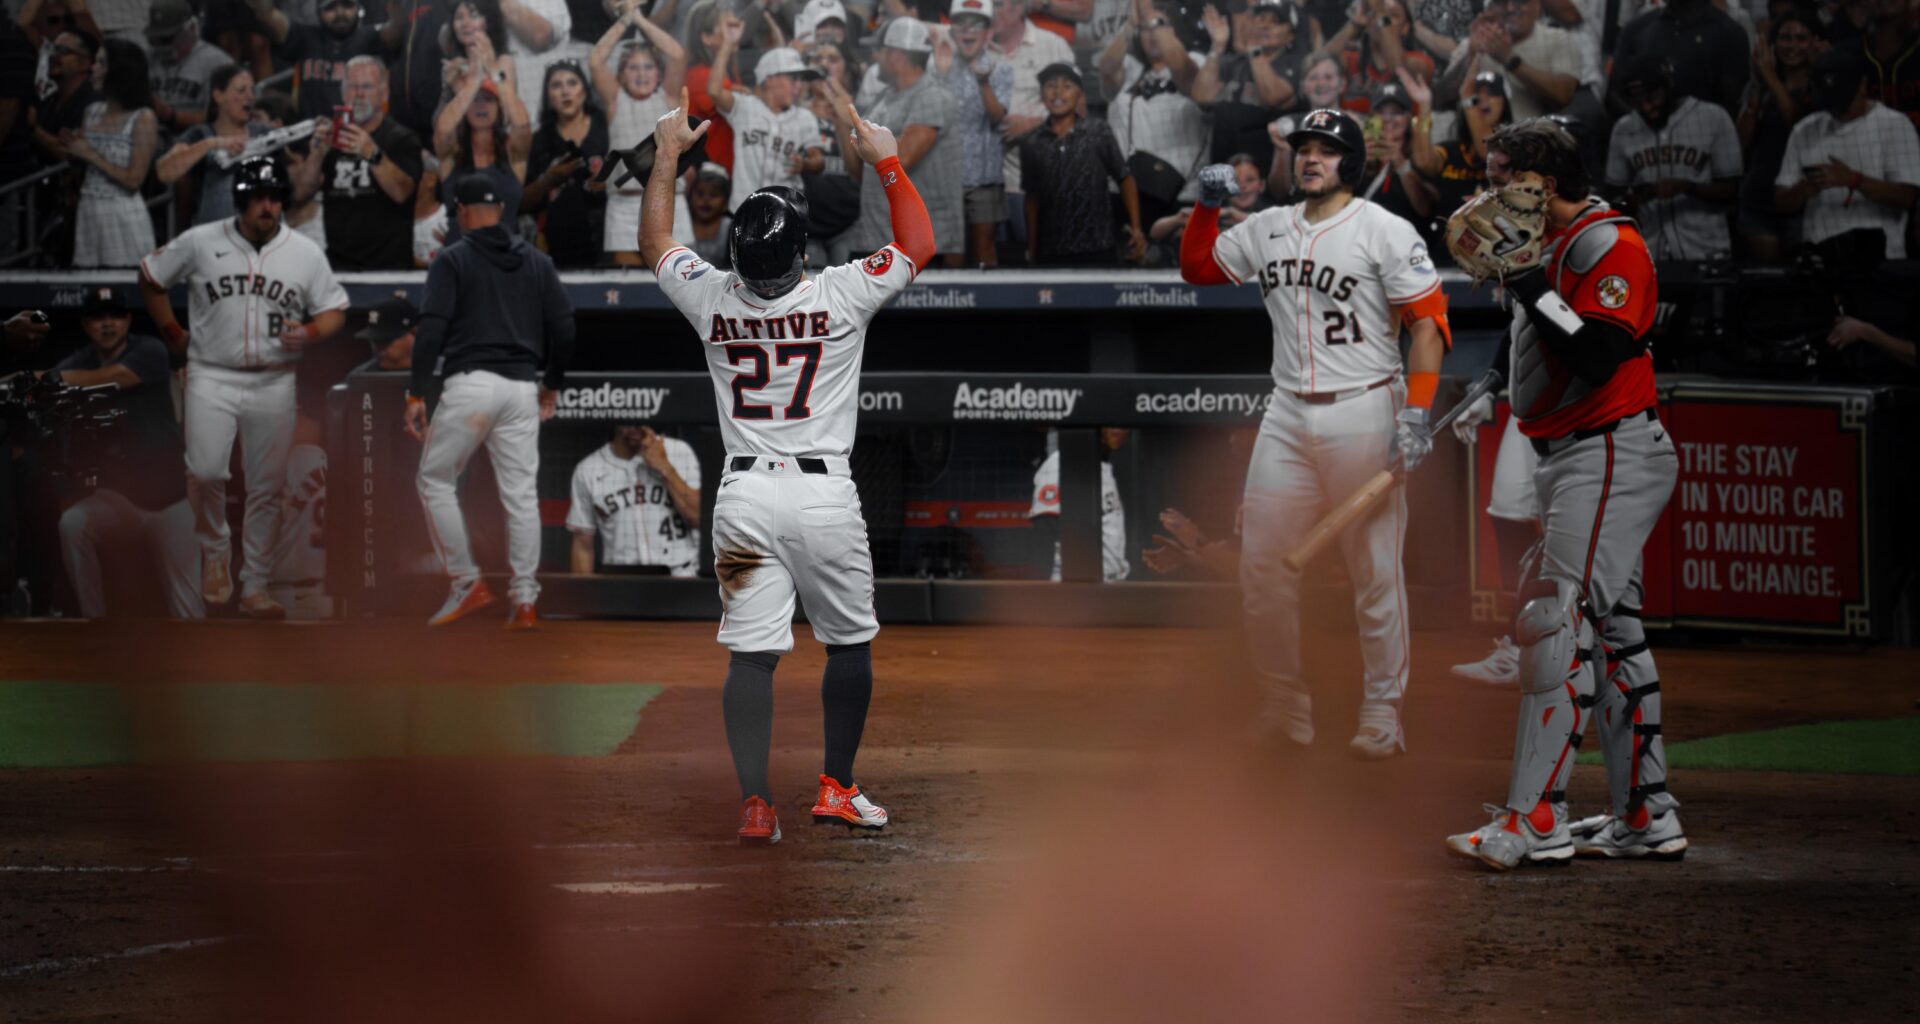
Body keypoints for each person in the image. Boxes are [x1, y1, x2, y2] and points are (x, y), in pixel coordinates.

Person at [639, 86, 934, 846]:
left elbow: (654, 244)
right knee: (848, 641)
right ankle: (836, 788)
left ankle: (756, 804)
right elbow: (918, 245)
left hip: (739, 493)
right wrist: (888, 161)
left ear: (736, 253)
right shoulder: (839, 293)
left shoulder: (711, 298)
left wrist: (670, 153)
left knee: (752, 652)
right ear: (799, 252)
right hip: (823, 495)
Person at [1441, 118, 1684, 869]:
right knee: (1615, 636)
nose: (1487, 193)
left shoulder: (1612, 245)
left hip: (1607, 449)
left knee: (1553, 620)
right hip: (1578, 454)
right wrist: (1490, 386)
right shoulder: (1544, 242)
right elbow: (1538, 339)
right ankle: (1646, 815)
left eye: (1500, 176)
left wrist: (1529, 283)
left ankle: (1534, 818)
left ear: (1541, 184)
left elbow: (1602, 354)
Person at [1178, 107, 1452, 760]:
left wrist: (1416, 411)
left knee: (1374, 573)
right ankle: (1284, 707)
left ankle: (1383, 712)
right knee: (1262, 570)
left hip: (1364, 408)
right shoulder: (1268, 227)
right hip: (1288, 412)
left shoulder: (1384, 230)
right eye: (1304, 146)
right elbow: (1199, 269)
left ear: (1348, 164)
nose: (1311, 157)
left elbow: (1427, 322)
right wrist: (1206, 207)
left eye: (1327, 149)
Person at [138, 157, 350, 620]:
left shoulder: (304, 251)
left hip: (274, 379)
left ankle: (255, 584)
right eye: (257, 196)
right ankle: (216, 550)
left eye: (274, 196)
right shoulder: (201, 241)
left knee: (267, 488)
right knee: (207, 472)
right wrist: (173, 332)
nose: (267, 205)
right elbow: (150, 277)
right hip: (212, 374)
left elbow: (335, 308)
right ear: (240, 200)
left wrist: (312, 332)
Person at [404, 174, 575, 629]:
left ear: (460, 212)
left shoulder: (453, 258)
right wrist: (551, 384)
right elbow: (565, 329)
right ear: (500, 210)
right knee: (521, 497)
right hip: (522, 388)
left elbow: (431, 332)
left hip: (472, 384)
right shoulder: (537, 261)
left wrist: (417, 391)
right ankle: (524, 601)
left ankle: (466, 583)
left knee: (434, 480)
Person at [53, 287, 203, 620]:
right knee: (72, 525)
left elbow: (115, 378)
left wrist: (46, 380)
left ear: (127, 320)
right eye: (98, 317)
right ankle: (94, 628)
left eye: (115, 316)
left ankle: (197, 665)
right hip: (118, 501)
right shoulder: (80, 361)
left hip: (170, 499)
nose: (107, 324)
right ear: (85, 324)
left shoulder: (149, 350)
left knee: (191, 611)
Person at [1774, 47, 1920, 258]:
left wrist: (1853, 180)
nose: (1834, 107)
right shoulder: (1805, 129)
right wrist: (1806, 188)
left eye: (1840, 98)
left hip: (1879, 259)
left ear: (1862, 85)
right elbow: (1780, 202)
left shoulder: (1894, 124)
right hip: (1818, 255)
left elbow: (1908, 198)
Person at [839, 19, 963, 258]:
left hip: (920, 243)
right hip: (878, 237)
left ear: (896, 55)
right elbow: (859, 169)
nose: (875, 57)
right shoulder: (883, 98)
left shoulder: (932, 96)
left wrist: (851, 123)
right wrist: (841, 120)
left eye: (880, 51)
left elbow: (902, 158)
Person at [291, 56, 425, 269]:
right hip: (339, 265)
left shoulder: (402, 139)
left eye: (367, 87)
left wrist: (371, 152)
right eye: (352, 87)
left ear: (384, 93)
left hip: (389, 267)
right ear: (343, 93)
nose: (359, 94)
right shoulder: (331, 139)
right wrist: (316, 155)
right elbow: (300, 194)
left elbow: (402, 192)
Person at [1604, 54, 1741, 262]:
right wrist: (1630, 200)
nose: (1647, 107)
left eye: (1652, 98)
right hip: (1648, 252)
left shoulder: (1713, 117)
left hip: (1706, 249)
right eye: (1639, 101)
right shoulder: (1624, 129)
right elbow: (1614, 197)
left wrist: (1686, 188)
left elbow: (1733, 191)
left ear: (1669, 86)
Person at [1019, 61, 1146, 264]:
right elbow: (1032, 199)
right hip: (1050, 251)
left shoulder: (1098, 132)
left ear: (1079, 94)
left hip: (1098, 246)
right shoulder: (1031, 142)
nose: (1058, 92)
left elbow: (1124, 178)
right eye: (1051, 86)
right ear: (1042, 96)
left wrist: (1136, 229)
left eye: (1067, 86)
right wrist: (1032, 251)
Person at [1099, 0, 1208, 230]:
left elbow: (1181, 68)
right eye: (1145, 30)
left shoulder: (1197, 61)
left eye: (1160, 26)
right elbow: (1106, 68)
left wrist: (1149, 16)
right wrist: (1130, 25)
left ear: (1175, 31)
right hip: (1127, 190)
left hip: (1180, 190)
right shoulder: (1129, 67)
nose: (1152, 34)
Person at [589, 0, 683, 265]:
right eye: (633, 67)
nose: (641, 74)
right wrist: (624, 20)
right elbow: (596, 60)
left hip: (671, 203)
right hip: (624, 205)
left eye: (648, 67)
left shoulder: (668, 97)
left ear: (658, 72)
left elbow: (676, 55)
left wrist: (639, 19)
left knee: (676, 291)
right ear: (621, 74)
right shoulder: (615, 100)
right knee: (626, 289)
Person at [707, 28, 824, 209]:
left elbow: (819, 162)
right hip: (744, 208)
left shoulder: (805, 117)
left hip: (785, 212)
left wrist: (806, 164)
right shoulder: (745, 107)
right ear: (770, 79)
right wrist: (727, 46)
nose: (799, 86)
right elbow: (714, 91)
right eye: (793, 78)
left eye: (801, 80)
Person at [935, 0, 1013, 266]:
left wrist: (983, 82)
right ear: (952, 30)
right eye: (961, 23)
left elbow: (997, 116)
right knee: (950, 250)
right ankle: (951, 304)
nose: (968, 30)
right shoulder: (939, 67)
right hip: (947, 177)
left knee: (985, 249)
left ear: (988, 32)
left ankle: (990, 307)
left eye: (976, 24)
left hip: (984, 178)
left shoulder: (1001, 68)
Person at [566, 423, 702, 576]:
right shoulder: (589, 469)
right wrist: (583, 597)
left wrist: (665, 467)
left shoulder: (679, 452)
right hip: (622, 581)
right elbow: (583, 546)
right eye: (629, 420)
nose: (636, 425)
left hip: (681, 576)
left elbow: (698, 518)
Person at [66, 37, 156, 268]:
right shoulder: (92, 112)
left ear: (120, 71)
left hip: (122, 214)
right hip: (88, 209)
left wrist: (90, 154)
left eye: (101, 63)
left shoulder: (143, 118)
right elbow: (81, 158)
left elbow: (134, 179)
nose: (93, 68)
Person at [1736, 10, 1816, 263]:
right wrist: (1758, 91)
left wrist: (1770, 77)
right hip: (1758, 200)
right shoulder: (1760, 83)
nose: (1792, 46)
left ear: (1814, 42)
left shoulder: (1821, 85)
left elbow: (1797, 126)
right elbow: (1742, 143)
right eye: (1785, 38)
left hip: (1801, 203)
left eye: (1801, 38)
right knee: (1764, 287)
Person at [427, 62, 530, 249]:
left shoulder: (512, 153)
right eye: (474, 99)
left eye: (488, 99)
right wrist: (472, 84)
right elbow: (442, 131)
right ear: (464, 107)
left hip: (505, 259)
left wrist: (497, 76)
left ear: (499, 108)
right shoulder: (453, 153)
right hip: (460, 259)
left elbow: (522, 127)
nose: (480, 105)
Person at [243, 0, 403, 120]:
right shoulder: (305, 37)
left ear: (358, 9)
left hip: (361, 130)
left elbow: (397, 28)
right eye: (330, 7)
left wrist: (397, 6)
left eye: (347, 6)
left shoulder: (371, 37)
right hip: (310, 132)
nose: (340, 13)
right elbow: (266, 13)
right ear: (319, 12)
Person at [155, 62, 270, 226]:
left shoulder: (264, 133)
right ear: (218, 96)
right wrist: (212, 144)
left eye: (252, 90)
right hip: (216, 237)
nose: (250, 96)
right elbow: (164, 172)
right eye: (241, 90)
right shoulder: (199, 135)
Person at [1435, 0, 1584, 121]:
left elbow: (1563, 96)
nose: (1511, 7)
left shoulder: (1558, 39)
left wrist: (1509, 59)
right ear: (1490, 8)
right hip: (1478, 140)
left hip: (1532, 140)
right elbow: (1440, 101)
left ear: (1537, 6)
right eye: (1501, 2)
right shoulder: (1475, 41)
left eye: (1521, 1)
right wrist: (1471, 55)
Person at [522, 57, 608, 267]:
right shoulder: (540, 140)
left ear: (585, 91)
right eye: (556, 85)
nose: (565, 92)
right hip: (554, 242)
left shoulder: (605, 129)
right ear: (548, 97)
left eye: (572, 83)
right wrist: (549, 178)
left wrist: (607, 180)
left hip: (606, 236)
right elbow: (522, 202)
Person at [988, 0, 1074, 197]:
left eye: (997, 5)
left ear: (1019, 7)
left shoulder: (1052, 45)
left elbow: (1078, 108)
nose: (990, 12)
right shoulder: (978, 48)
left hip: (1043, 180)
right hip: (991, 183)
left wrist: (1033, 125)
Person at [1607, 0, 1748, 119]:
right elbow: (1613, 95)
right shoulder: (1637, 29)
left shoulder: (1730, 34)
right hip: (1642, 144)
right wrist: (1646, 125)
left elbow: (1729, 108)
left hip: (1701, 141)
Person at [1027, 427, 1131, 582]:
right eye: (1110, 422)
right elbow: (1045, 530)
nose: (1118, 429)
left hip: (1104, 587)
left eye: (1123, 423)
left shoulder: (1101, 465)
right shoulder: (1064, 463)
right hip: (1072, 589)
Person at [143, 0, 230, 136]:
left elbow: (221, 118)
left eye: (167, 39)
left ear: (191, 29)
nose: (161, 46)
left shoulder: (217, 63)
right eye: (156, 38)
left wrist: (171, 116)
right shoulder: (147, 58)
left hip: (198, 138)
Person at [685, 161, 732, 265]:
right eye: (700, 193)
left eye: (714, 194)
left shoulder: (730, 230)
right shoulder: (682, 223)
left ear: (726, 203)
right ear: (690, 196)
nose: (706, 200)